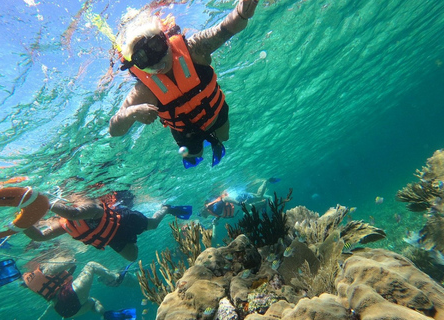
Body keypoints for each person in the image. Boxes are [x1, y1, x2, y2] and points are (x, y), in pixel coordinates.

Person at [109, 0, 260, 168]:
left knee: (224, 138)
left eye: (156, 47)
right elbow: (114, 130)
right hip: (185, 133)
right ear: (136, 65)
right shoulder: (145, 91)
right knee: (195, 158)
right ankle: (199, 151)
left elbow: (224, 29)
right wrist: (131, 113)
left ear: (165, 39)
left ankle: (214, 142)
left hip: (216, 115)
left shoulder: (194, 49)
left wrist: (241, 13)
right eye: (144, 59)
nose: (157, 63)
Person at [24, 192, 184, 261]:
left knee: (154, 225)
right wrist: (21, 224)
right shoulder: (65, 224)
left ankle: (166, 208)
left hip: (125, 220)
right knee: (133, 257)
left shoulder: (91, 208)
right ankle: (133, 238)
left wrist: (45, 203)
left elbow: (73, 214)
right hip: (113, 237)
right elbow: (40, 236)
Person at [22, 257, 134, 319]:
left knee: (92, 302)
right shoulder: (42, 268)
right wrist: (70, 260)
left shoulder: (31, 283)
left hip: (64, 312)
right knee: (91, 265)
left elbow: (50, 301)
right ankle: (116, 277)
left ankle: (105, 315)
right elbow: (68, 263)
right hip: (68, 294)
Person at [200, 178, 280, 221]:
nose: (203, 216)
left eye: (203, 213)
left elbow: (225, 199)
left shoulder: (215, 208)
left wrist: (238, 203)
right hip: (239, 199)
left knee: (258, 196)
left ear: (206, 211)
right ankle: (263, 202)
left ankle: (265, 182)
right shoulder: (213, 211)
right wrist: (217, 218)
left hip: (239, 198)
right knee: (252, 206)